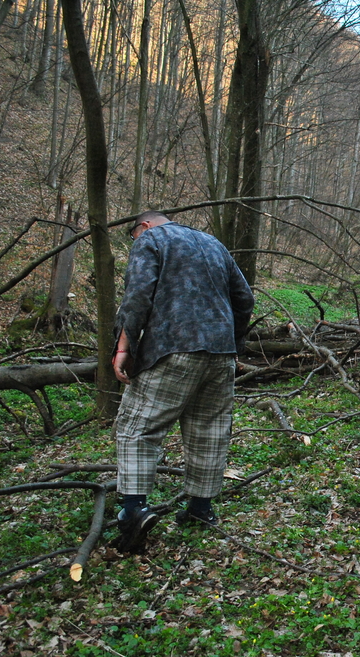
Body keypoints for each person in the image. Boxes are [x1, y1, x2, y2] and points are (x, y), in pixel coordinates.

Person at [111, 211, 255, 553]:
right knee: (210, 428)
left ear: (144, 226)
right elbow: (244, 298)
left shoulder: (151, 240)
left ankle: (133, 512)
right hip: (220, 353)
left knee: (138, 427)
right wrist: (233, 341)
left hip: (173, 345)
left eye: (133, 236)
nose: (135, 241)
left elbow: (137, 296)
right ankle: (200, 509)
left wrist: (123, 346)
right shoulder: (214, 243)